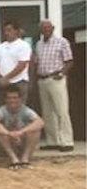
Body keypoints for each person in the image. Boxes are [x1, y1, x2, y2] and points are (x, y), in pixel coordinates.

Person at [33, 20, 74, 152]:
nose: (45, 30)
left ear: (53, 28)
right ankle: (53, 141)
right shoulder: (38, 44)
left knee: (61, 111)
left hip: (56, 79)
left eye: (47, 27)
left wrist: (62, 73)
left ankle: (67, 141)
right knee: (47, 113)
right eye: (43, 28)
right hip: (42, 80)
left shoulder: (62, 42)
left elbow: (69, 61)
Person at [0, 85, 45, 169]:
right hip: (7, 146)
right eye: (9, 98)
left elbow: (40, 122)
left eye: (15, 98)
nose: (12, 100)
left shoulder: (26, 110)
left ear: (20, 99)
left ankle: (24, 159)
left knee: (35, 130)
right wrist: (8, 133)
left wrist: (21, 132)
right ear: (5, 99)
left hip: (22, 144)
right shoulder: (0, 111)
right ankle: (13, 160)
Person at [0, 21, 32, 104]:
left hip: (19, 82)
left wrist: (6, 78)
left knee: (18, 110)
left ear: (16, 31)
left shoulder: (23, 45)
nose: (6, 33)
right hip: (3, 84)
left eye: (9, 30)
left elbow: (22, 65)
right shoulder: (1, 46)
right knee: (3, 109)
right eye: (5, 30)